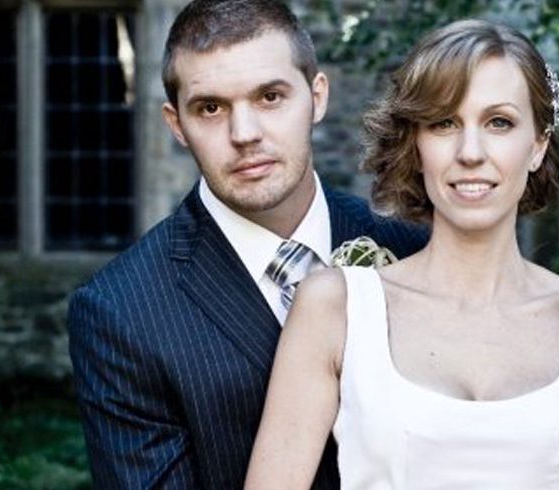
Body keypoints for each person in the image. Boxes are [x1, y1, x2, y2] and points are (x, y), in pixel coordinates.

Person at [245, 19, 559, 489]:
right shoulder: (337, 307)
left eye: (499, 123)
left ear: (537, 145)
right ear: (416, 144)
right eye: (443, 123)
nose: (470, 151)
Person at [67, 1, 427, 488]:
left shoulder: (412, 250)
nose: (244, 134)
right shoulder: (121, 312)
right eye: (210, 108)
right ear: (177, 125)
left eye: (270, 97)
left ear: (317, 97)